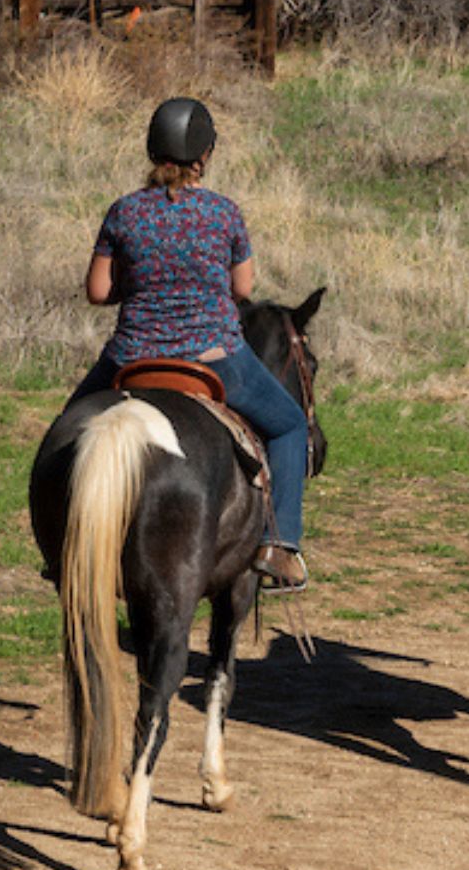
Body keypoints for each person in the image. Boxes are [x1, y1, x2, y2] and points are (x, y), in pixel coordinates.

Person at [72, 96, 312, 586]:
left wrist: (138, 286)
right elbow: (242, 288)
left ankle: (63, 544)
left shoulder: (124, 212)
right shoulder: (224, 213)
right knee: (289, 426)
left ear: (151, 149)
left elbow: (97, 291)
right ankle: (280, 545)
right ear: (205, 154)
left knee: (69, 430)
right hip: (213, 357)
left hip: (131, 358)